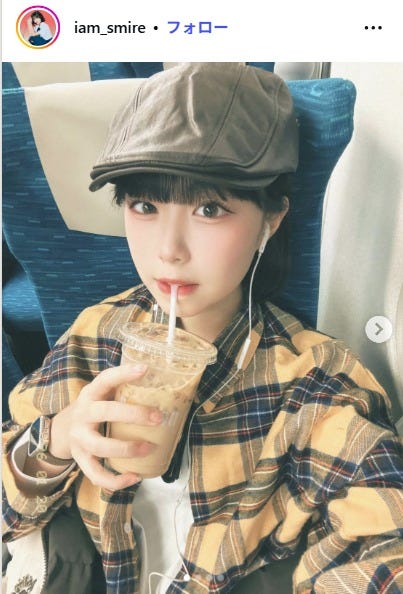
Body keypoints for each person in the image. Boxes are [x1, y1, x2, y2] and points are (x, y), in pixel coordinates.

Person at [2, 63, 403, 594]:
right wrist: (54, 439)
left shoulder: (314, 383)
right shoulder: (95, 336)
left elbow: (383, 544)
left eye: (209, 209)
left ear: (271, 218)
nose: (168, 250)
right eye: (145, 205)